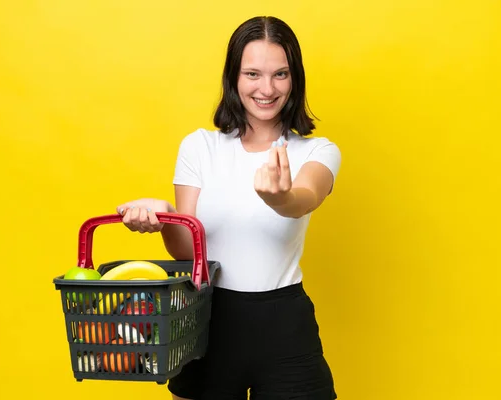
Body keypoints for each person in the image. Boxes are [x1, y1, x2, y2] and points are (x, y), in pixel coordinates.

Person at [117, 15, 341, 400]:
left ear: (295, 79)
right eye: (253, 74)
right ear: (234, 77)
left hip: (285, 325)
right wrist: (163, 217)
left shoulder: (317, 151)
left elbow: (306, 198)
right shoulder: (200, 147)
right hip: (206, 321)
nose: (267, 88)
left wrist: (279, 198)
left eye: (280, 74)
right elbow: (188, 250)